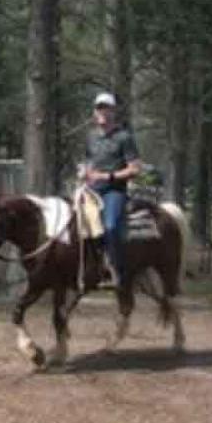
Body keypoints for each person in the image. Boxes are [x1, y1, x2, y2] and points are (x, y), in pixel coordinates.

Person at [83, 92, 142, 289]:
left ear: (113, 111)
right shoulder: (91, 137)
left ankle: (115, 269)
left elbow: (135, 169)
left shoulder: (124, 137)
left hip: (113, 191)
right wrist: (83, 171)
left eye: (105, 107)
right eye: (98, 108)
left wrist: (107, 176)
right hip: (91, 191)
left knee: (110, 226)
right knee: (72, 224)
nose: (101, 112)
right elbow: (88, 162)